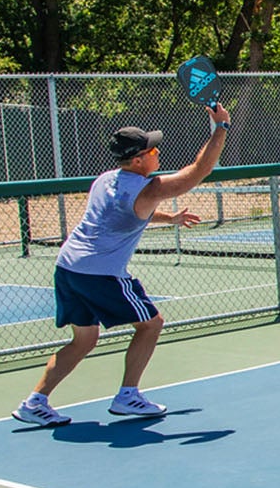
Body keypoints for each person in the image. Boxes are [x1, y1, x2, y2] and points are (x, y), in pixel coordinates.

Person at [12, 104, 233, 426]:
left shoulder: (105, 180)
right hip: (100, 273)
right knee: (151, 324)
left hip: (68, 267)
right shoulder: (147, 187)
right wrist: (221, 127)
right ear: (139, 160)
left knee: (84, 340)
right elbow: (199, 170)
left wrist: (168, 217)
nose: (158, 153)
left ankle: (35, 402)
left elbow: (127, 211)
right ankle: (128, 396)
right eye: (153, 150)